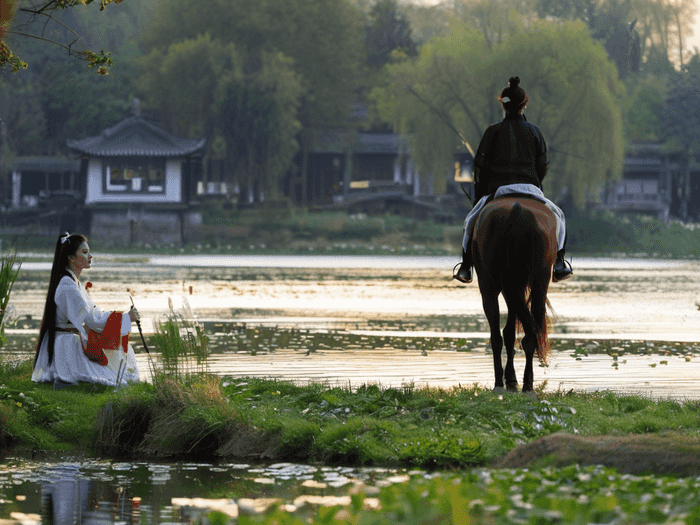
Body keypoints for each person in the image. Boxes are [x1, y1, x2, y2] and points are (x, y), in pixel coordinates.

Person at [454, 76, 573, 284]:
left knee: (470, 221)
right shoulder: (535, 131)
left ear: (503, 105)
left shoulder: (492, 131)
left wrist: (481, 191)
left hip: (499, 191)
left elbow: (480, 166)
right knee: (559, 217)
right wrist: (535, 181)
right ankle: (560, 263)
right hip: (531, 188)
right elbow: (543, 165)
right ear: (524, 105)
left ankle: (465, 266)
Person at [32, 232, 140, 389]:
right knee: (114, 381)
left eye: (89, 251)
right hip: (65, 344)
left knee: (120, 376)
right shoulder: (67, 286)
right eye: (84, 252)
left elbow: (94, 313)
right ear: (71, 258)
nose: (90, 255)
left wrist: (122, 317)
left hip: (70, 339)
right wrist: (125, 318)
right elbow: (92, 321)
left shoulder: (73, 283)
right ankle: (64, 380)